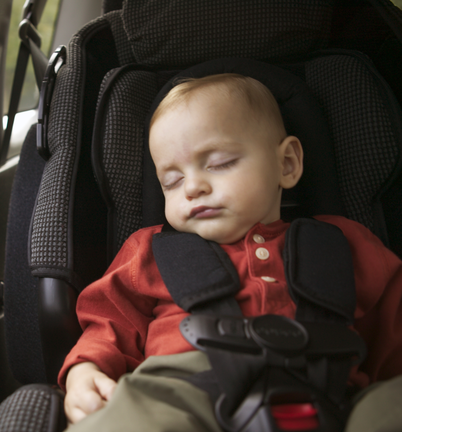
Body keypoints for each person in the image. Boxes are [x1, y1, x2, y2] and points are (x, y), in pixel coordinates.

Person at [59, 74, 402, 431]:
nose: (192, 187)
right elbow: (109, 323)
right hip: (184, 389)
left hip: (335, 395)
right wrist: (86, 369)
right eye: (172, 182)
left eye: (220, 163)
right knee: (130, 414)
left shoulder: (343, 242)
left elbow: (399, 328)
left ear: (286, 163)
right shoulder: (149, 251)